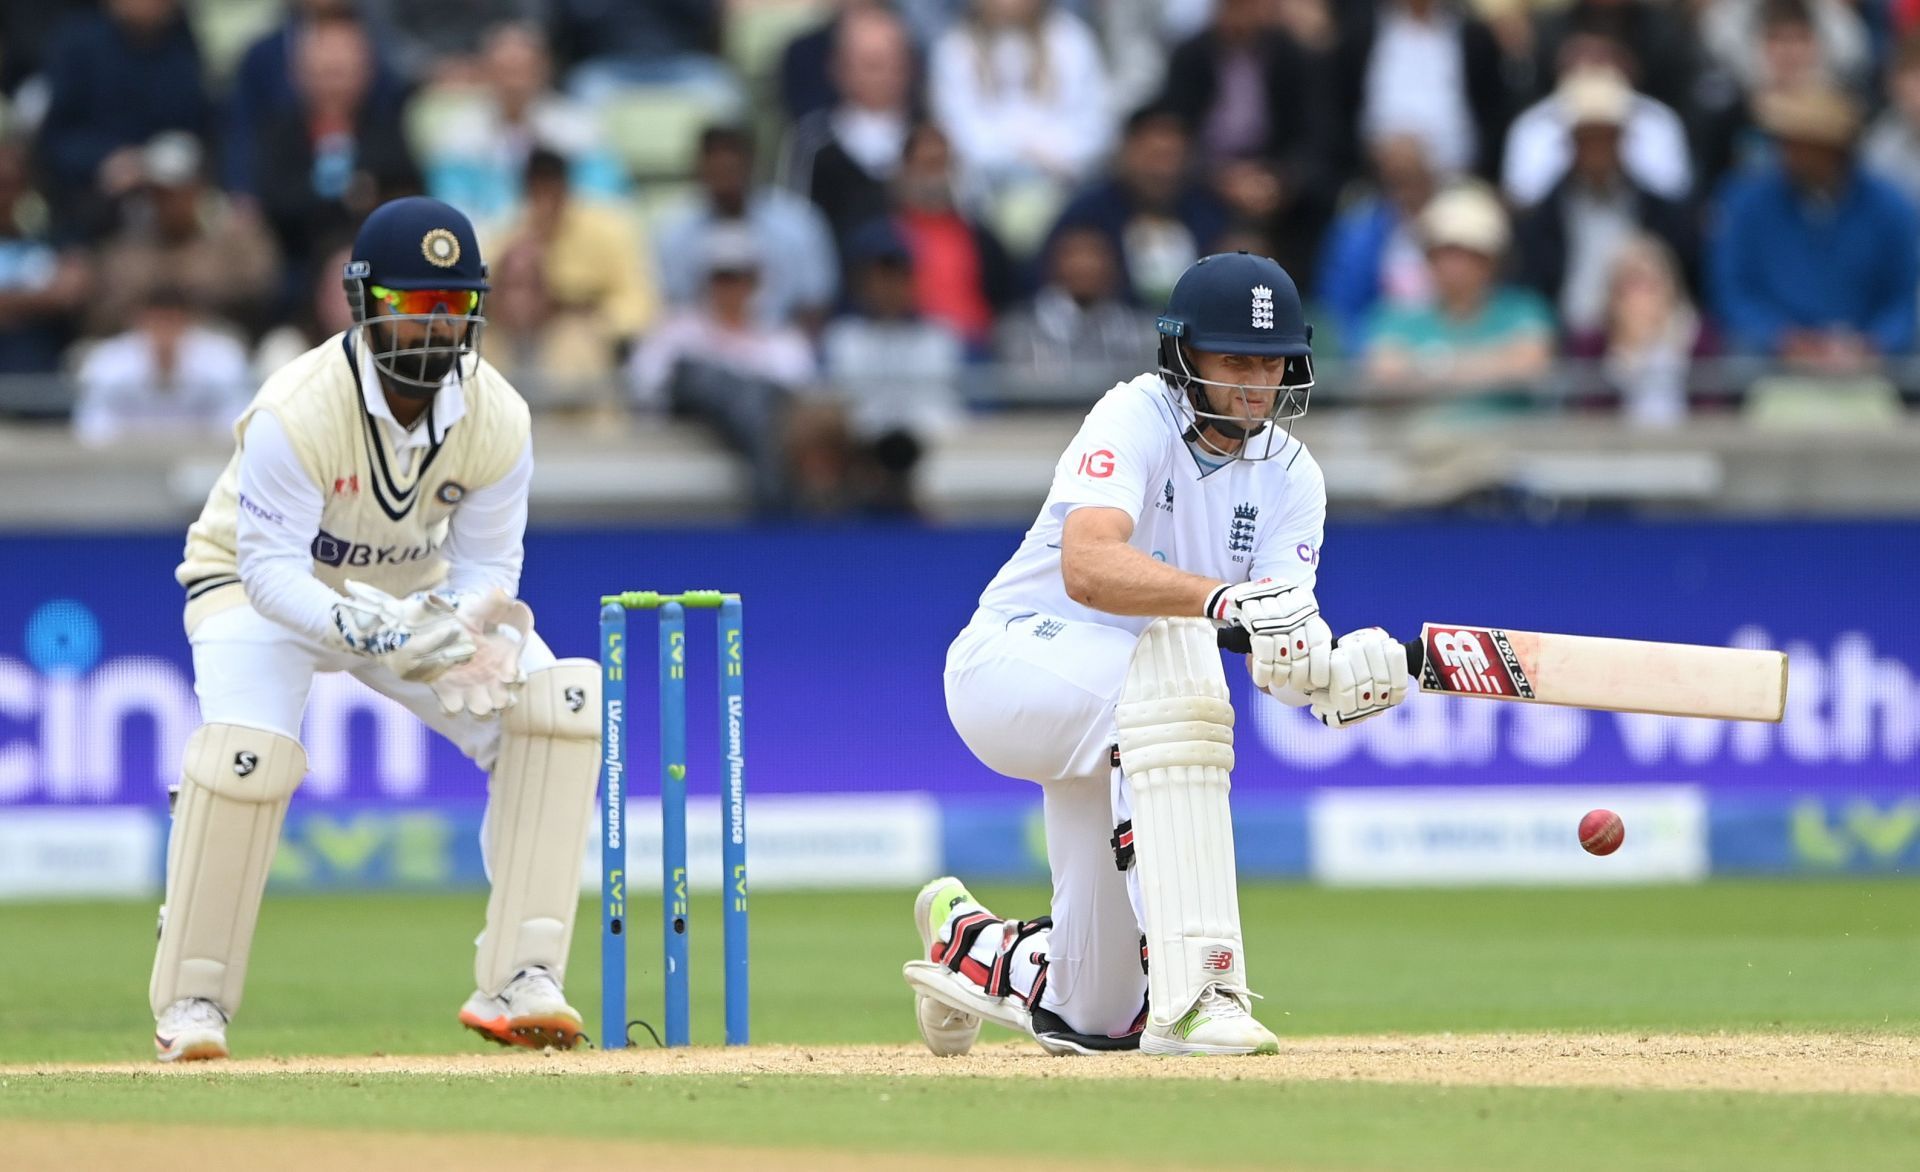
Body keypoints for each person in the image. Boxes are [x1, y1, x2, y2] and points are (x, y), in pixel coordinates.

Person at [913, 251, 1410, 1058]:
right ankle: (1197, 991)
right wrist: (1219, 599)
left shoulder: (1292, 477)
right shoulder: (1132, 415)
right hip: (1009, 667)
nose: (1256, 382)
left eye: (1271, 360)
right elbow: (1088, 564)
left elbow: (1278, 645)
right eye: (1234, 360)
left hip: (1125, 725)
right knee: (1173, 683)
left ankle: (972, 944)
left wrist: (1333, 671)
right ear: (1184, 356)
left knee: (1098, 1016)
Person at [153, 196, 602, 1061]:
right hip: (254, 592)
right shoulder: (298, 407)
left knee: (555, 707)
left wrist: (465, 629)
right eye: (415, 306)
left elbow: (489, 570)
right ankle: (194, 1002)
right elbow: (272, 572)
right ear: (364, 304)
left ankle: (521, 978)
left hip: (413, 591)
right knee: (246, 758)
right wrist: (380, 634)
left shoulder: (498, 417)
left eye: (454, 307)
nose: (436, 329)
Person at [1709, 86, 1919, 365]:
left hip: (1869, 356)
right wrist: (1781, 338)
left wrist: (1874, 343)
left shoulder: (1891, 206)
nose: (1789, 153)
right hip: (1772, 356)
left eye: (1804, 144)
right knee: (1739, 354)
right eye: (1786, 141)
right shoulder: (1745, 201)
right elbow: (1731, 290)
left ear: (1836, 149)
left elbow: (1905, 296)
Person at [1364, 183, 1555, 408]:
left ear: (1492, 260)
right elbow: (1385, 375)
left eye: (1467, 253)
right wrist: (1493, 364)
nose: (1454, 265)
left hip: (1507, 440)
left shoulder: (1525, 310)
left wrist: (1428, 367)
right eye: (1445, 252)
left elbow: (1530, 364)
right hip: (1418, 441)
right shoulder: (1396, 316)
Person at [73, 286, 253, 446]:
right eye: (156, 321)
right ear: (139, 321)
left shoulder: (222, 358)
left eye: (172, 321)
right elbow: (91, 427)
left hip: (201, 461)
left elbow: (235, 423)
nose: (164, 332)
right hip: (125, 463)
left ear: (189, 322)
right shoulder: (108, 361)